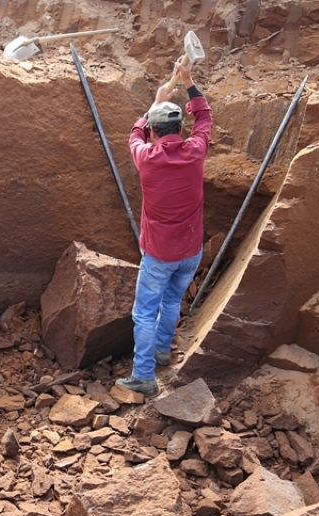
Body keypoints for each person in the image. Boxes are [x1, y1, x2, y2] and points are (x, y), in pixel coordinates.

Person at [115, 56, 213, 396]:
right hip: (190, 251)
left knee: (144, 312)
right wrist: (186, 81)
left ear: (154, 132)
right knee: (172, 301)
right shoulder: (195, 150)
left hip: (158, 254)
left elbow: (135, 130)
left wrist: (158, 98)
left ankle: (144, 375)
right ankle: (161, 349)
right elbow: (204, 115)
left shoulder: (146, 156)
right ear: (180, 130)